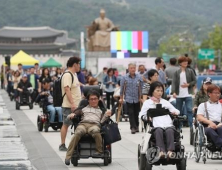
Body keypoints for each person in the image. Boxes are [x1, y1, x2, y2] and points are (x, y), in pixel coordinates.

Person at [65, 90, 112, 165]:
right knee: (77, 133)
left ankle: (99, 151)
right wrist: (71, 115)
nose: (93, 101)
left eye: (95, 99)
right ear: (88, 100)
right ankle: (68, 156)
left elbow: (102, 122)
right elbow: (73, 114)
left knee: (96, 131)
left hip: (95, 125)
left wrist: (107, 115)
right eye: (91, 99)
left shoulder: (101, 110)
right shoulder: (83, 108)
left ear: (98, 99)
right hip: (83, 125)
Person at [139, 81, 180, 157]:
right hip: (155, 125)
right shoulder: (147, 103)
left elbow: (176, 111)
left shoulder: (165, 102)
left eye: (161, 91)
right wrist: (147, 118)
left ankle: (170, 151)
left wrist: (175, 113)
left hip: (167, 124)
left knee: (170, 130)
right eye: (157, 90)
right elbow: (141, 115)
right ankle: (161, 151)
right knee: (158, 131)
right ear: (152, 91)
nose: (160, 93)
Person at [59, 56, 82, 151]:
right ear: (74, 65)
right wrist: (72, 103)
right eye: (79, 64)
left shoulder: (74, 74)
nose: (80, 66)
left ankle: (77, 143)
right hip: (69, 106)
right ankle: (62, 144)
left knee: (78, 125)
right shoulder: (67, 75)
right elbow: (67, 89)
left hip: (77, 105)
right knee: (66, 124)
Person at [171, 56, 196, 128]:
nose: (185, 63)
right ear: (180, 63)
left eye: (186, 61)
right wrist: (173, 92)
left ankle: (191, 125)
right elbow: (174, 83)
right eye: (184, 61)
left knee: (189, 109)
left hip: (188, 93)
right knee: (179, 111)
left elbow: (194, 81)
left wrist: (188, 84)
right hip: (179, 94)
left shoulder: (190, 71)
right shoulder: (176, 72)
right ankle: (179, 126)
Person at [119, 63, 143, 134]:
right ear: (128, 69)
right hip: (128, 98)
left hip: (137, 98)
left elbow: (141, 87)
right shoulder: (124, 77)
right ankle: (132, 127)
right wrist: (121, 98)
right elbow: (122, 88)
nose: (132, 69)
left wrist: (141, 97)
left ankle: (137, 126)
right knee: (131, 113)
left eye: (134, 68)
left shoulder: (139, 77)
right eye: (131, 68)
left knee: (136, 112)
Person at [197, 84, 222, 148]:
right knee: (209, 130)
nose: (218, 95)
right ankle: (220, 144)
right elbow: (199, 117)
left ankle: (219, 145)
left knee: (220, 129)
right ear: (209, 94)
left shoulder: (221, 105)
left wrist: (220, 124)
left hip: (220, 124)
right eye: (215, 93)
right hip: (207, 125)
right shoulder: (203, 105)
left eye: (219, 93)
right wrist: (210, 122)